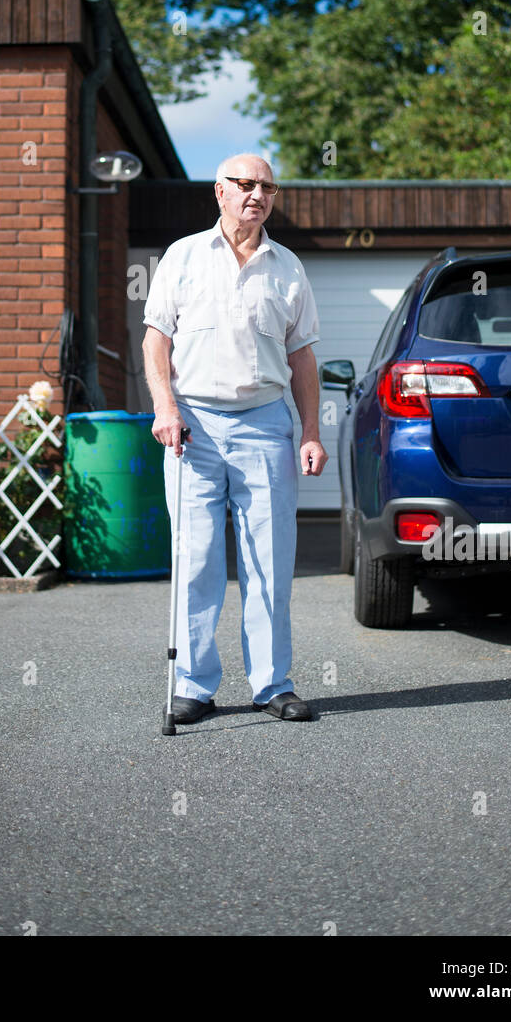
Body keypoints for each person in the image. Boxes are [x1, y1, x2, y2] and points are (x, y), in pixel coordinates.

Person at [142, 153, 327, 724]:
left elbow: (302, 358)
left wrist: (312, 431)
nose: (258, 195)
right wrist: (165, 408)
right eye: (246, 184)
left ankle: (273, 684)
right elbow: (155, 342)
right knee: (195, 558)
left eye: (267, 187)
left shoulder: (288, 266)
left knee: (269, 559)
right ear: (219, 191)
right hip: (192, 424)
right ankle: (193, 686)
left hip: (265, 422)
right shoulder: (183, 256)